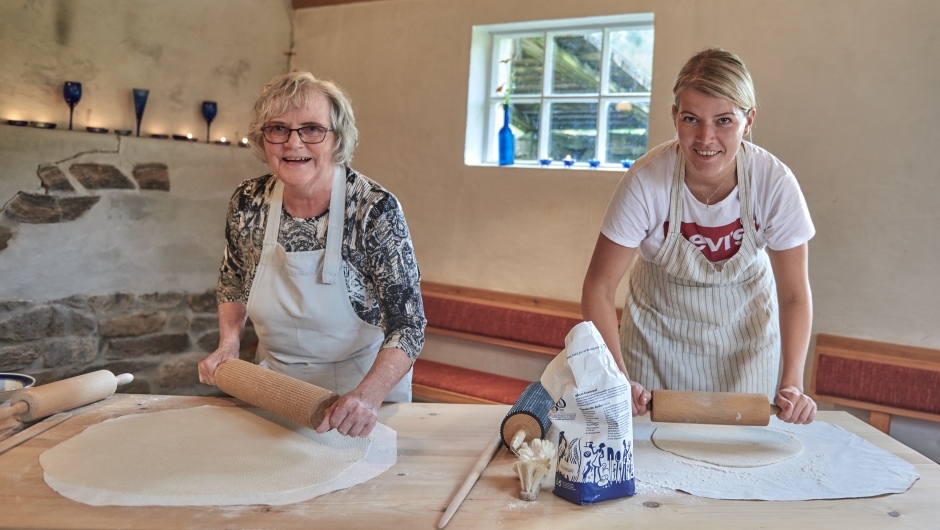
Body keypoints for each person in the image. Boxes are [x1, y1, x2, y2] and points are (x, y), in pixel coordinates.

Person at [582, 48, 816, 425]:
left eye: (724, 120)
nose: (706, 138)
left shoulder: (774, 183)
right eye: (691, 118)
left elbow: (793, 294)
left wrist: (792, 383)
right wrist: (619, 378)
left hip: (747, 346)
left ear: (749, 120)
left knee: (741, 464)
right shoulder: (646, 183)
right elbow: (598, 288)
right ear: (675, 116)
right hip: (657, 345)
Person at [198, 72, 426, 437]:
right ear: (263, 138)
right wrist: (229, 345)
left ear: (337, 138)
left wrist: (367, 396)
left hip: (360, 398)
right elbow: (234, 279)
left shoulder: (373, 209)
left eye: (312, 129)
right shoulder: (248, 201)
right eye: (279, 129)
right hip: (275, 390)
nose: (293, 143)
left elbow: (409, 325)